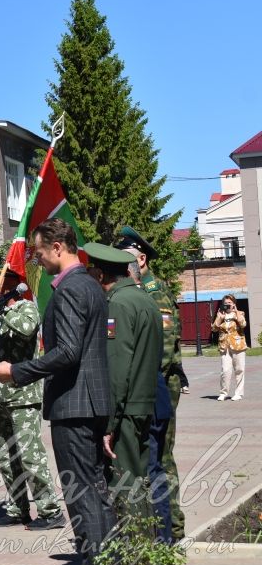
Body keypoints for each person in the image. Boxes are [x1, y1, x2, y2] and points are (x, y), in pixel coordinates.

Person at [0, 219, 115, 565]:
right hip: (88, 404)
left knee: (83, 497)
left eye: (40, 251)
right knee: (96, 494)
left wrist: (18, 372)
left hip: (75, 407)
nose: (37, 259)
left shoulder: (73, 289)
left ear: (58, 247)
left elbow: (69, 352)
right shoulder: (88, 285)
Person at [0, 266, 63, 530]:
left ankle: (50, 511)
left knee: (30, 455)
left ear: (13, 285)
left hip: (23, 394)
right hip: (0, 396)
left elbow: (26, 331)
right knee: (6, 457)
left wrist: (0, 311)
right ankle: (17, 508)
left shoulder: (26, 308)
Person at [116, 225, 186, 540]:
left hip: (160, 385)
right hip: (147, 384)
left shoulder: (155, 291)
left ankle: (172, 526)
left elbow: (165, 347)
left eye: (126, 256)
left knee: (160, 458)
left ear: (141, 259)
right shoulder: (134, 289)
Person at [85, 242, 160, 522]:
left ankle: (135, 558)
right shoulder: (143, 299)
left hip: (126, 411)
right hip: (142, 403)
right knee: (139, 481)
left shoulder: (117, 303)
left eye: (91, 269)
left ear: (102, 275)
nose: (90, 275)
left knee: (125, 486)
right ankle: (147, 551)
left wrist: (109, 425)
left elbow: (117, 370)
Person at [212, 294, 246, 401]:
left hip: (238, 345)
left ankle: (239, 393)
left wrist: (236, 313)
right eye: (225, 303)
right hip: (224, 346)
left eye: (229, 303)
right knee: (225, 370)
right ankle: (223, 392)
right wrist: (219, 318)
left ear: (234, 304)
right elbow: (214, 329)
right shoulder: (220, 315)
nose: (227, 305)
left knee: (239, 369)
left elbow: (243, 324)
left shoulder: (240, 313)